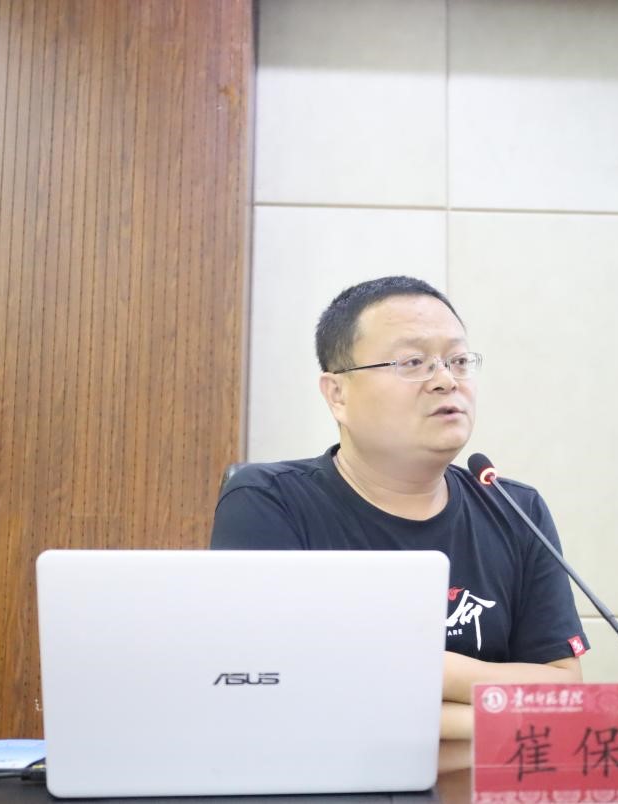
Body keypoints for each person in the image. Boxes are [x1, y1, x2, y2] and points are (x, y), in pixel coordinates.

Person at [211, 275, 588, 769]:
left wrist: (398, 667)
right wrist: (494, 713)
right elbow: (269, 695)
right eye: (413, 363)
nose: (445, 380)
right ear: (337, 394)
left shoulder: (517, 510)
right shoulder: (269, 502)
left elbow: (563, 693)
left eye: (458, 361)